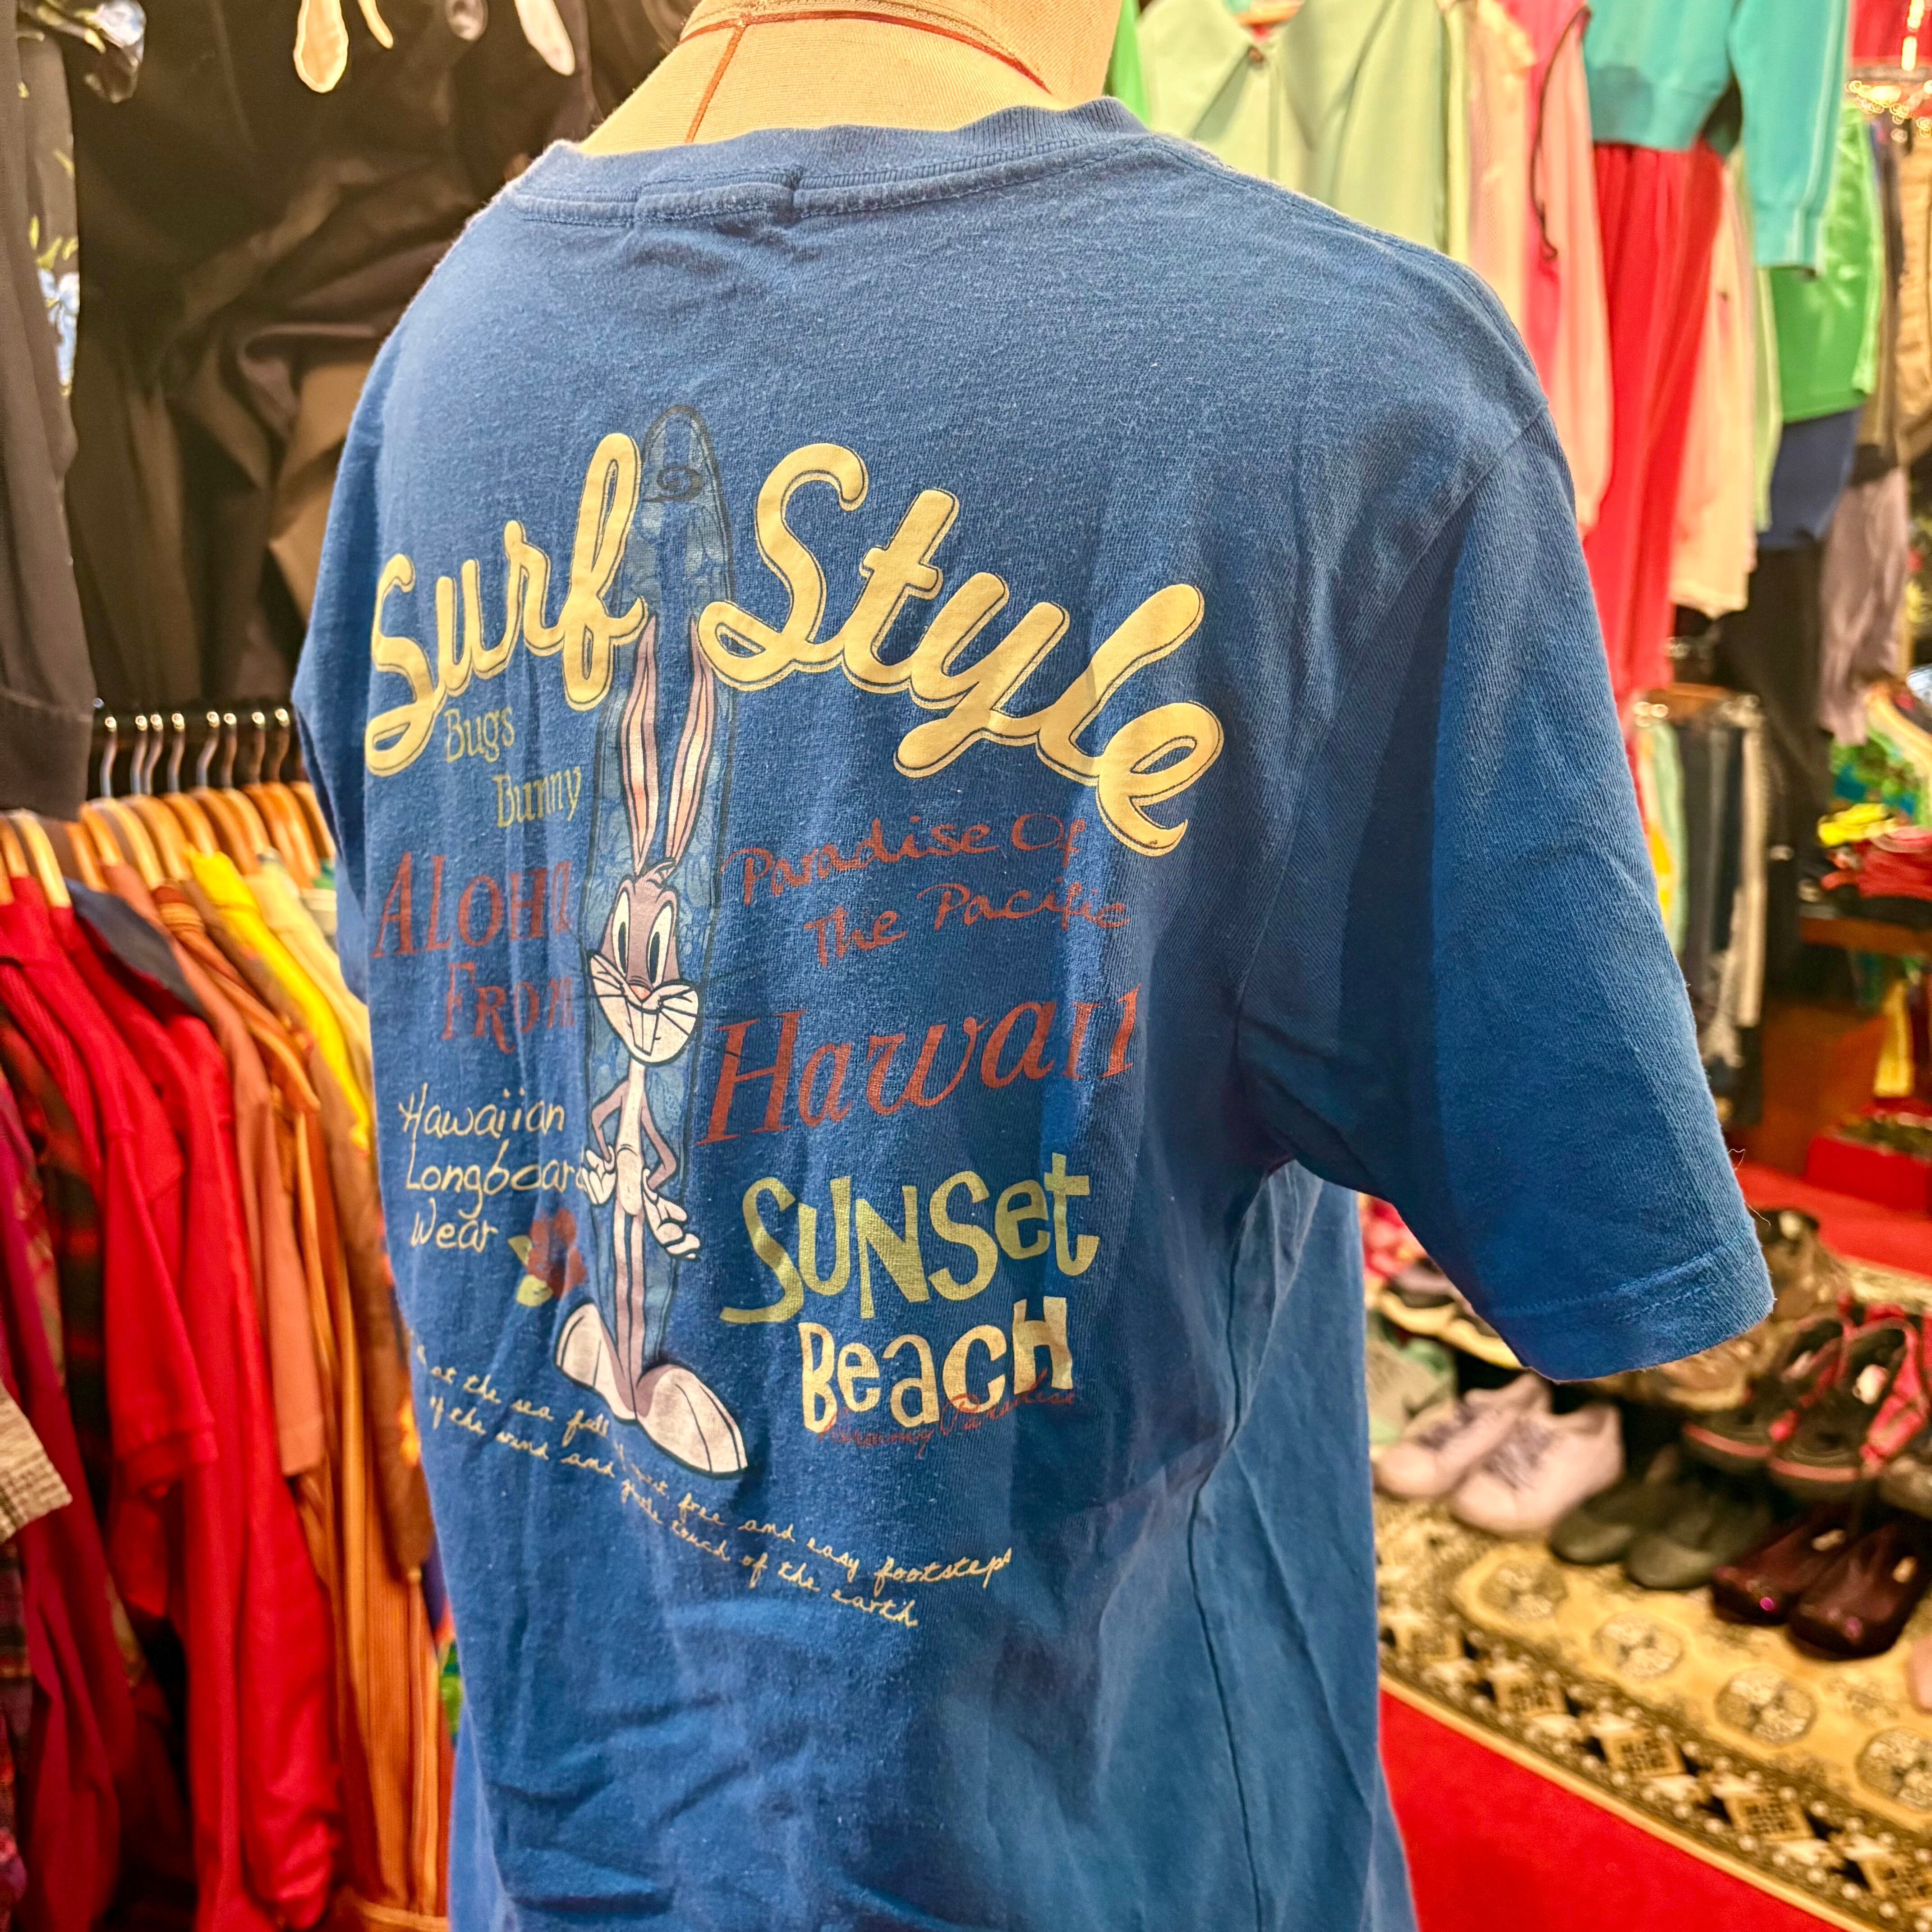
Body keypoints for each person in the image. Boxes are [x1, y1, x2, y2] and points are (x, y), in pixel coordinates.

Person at [293, 4, 1772, 1926]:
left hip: (570, 1850)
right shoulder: (1343, 387)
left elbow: (456, 1013)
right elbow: (1598, 1240)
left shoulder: (444, 350)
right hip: (1095, 1859)